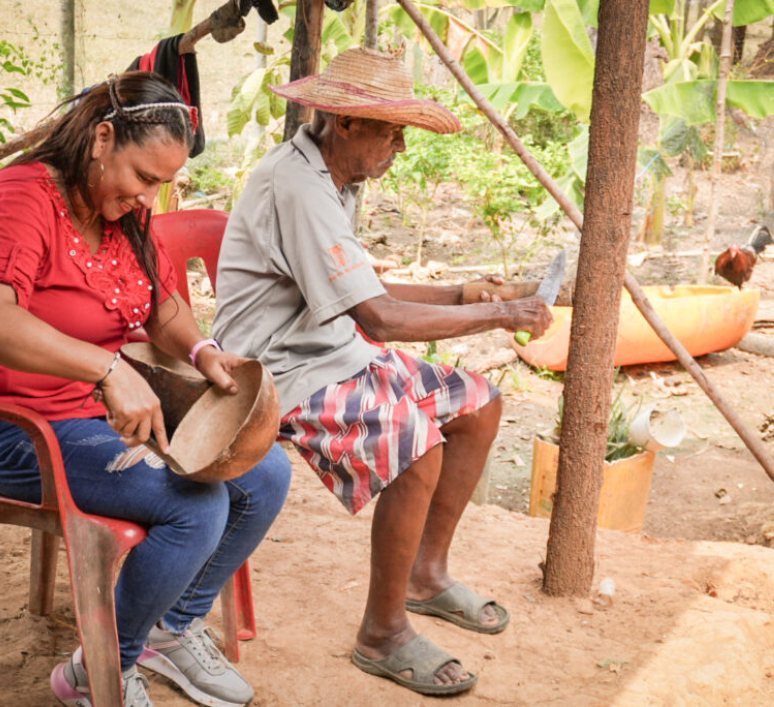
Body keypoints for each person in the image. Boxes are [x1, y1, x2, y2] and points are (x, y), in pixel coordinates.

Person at [212, 48, 553, 697]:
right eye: (391, 129)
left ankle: (426, 575)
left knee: (479, 403)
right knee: (414, 446)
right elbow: (379, 315)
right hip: (276, 371)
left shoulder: (332, 178)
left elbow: (360, 290)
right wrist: (500, 312)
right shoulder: (298, 185)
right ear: (345, 123)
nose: (400, 145)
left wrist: (458, 294)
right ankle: (383, 632)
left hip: (331, 349)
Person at [0, 71, 291, 707]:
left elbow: (160, 308)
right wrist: (108, 371)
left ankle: (169, 628)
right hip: (19, 428)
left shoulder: (125, 212)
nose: (149, 197)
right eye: (145, 177)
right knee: (195, 507)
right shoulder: (20, 200)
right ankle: (96, 670)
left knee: (264, 474)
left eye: (162, 183)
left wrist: (204, 350)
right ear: (103, 137)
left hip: (98, 413)